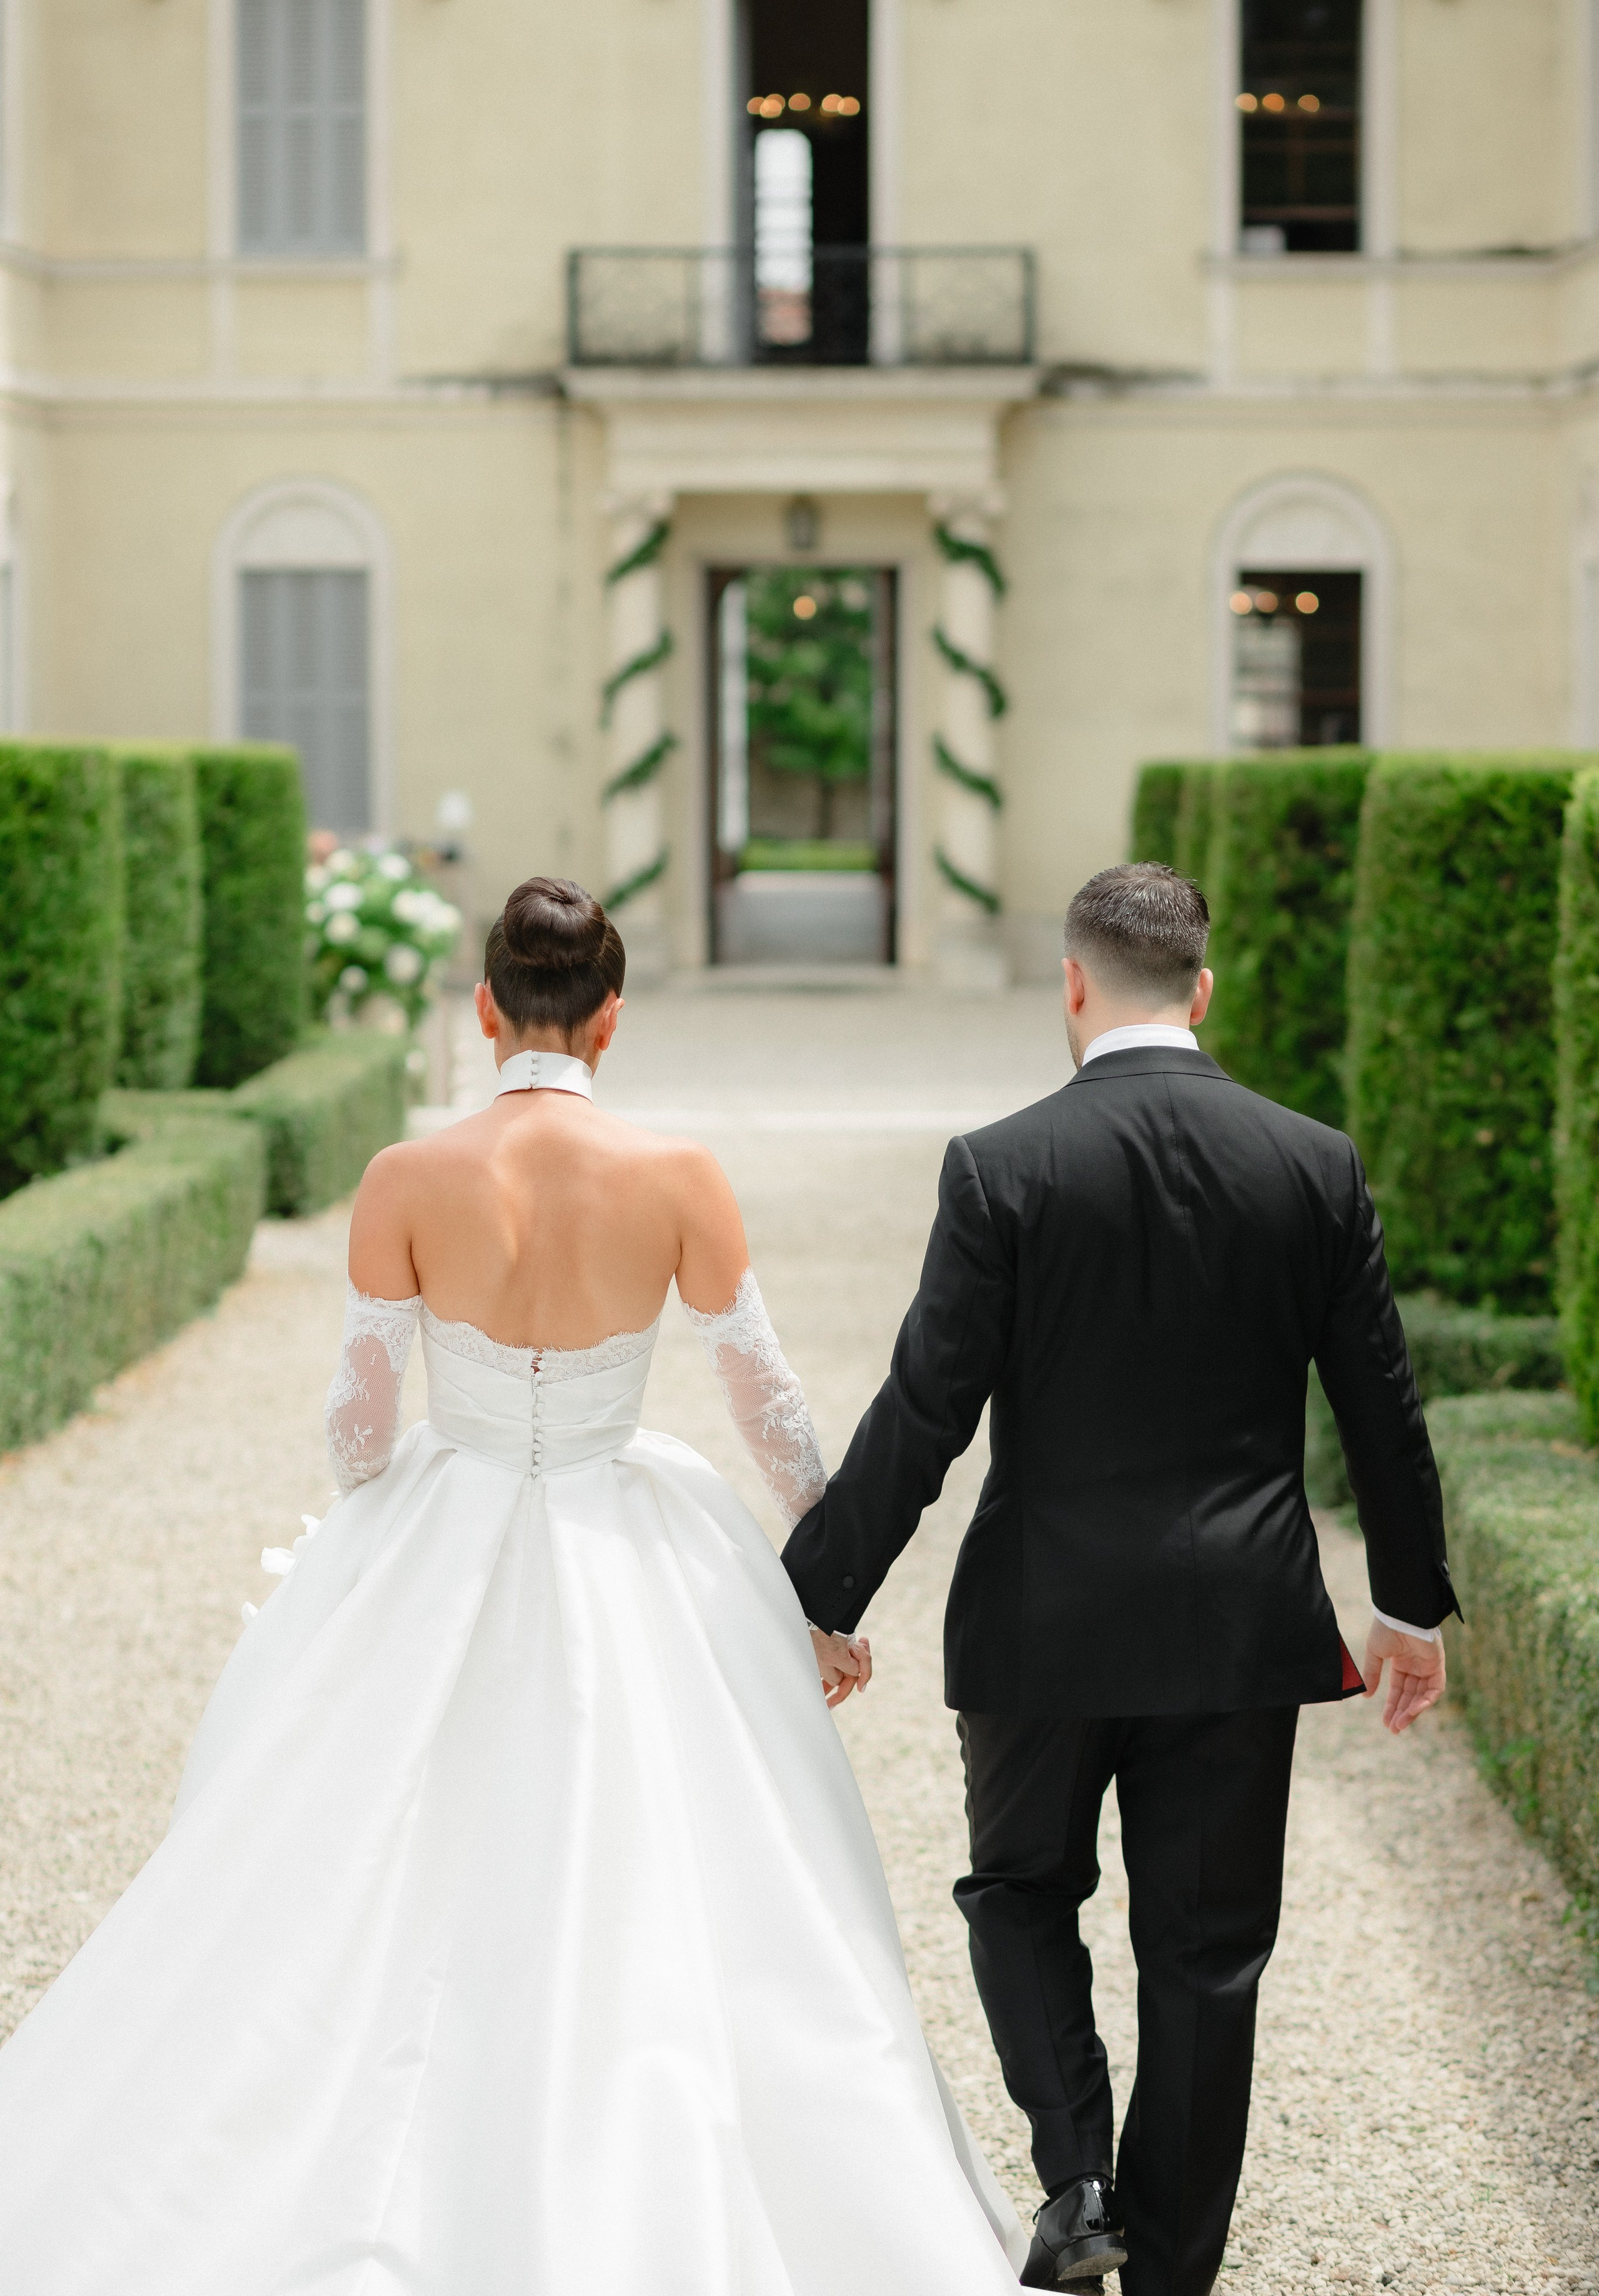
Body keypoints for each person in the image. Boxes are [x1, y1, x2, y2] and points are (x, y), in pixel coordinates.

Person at [0, 875, 1028, 2294]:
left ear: (483, 1008)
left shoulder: (404, 1180)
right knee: (694, 1858)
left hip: (450, 1509)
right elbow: (773, 1411)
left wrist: (436, 1441)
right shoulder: (680, 1179)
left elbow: (357, 1443)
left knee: (354, 1852)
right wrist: (825, 1592)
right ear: (611, 1018)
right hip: (632, 1525)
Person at [782, 861, 1455, 2296]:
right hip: (1235, 1626)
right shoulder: (1310, 1163)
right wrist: (1405, 1606)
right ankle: (1170, 2275)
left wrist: (819, 1591)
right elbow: (1379, 1409)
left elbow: (925, 1410)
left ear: (1073, 987)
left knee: (1018, 1893)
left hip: (1041, 1622)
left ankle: (1076, 2180)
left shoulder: (1001, 1165)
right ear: (1199, 991)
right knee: (1206, 1957)